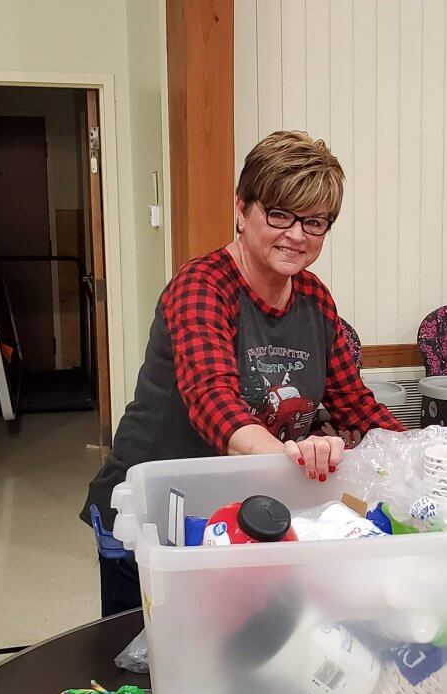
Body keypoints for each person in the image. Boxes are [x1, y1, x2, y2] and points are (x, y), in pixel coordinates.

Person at [84, 130, 405, 615]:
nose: (297, 235)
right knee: (148, 663)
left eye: (315, 222)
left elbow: (356, 404)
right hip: (158, 510)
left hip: (249, 507)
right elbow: (215, 403)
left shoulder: (314, 299)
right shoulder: (202, 285)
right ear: (242, 209)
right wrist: (287, 464)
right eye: (279, 214)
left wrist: (424, 460)